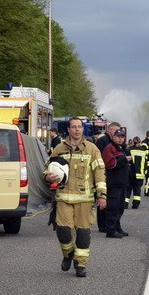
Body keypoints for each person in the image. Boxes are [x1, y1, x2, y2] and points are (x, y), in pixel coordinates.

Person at [45, 117, 107, 278]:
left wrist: (102, 195)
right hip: (64, 197)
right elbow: (47, 168)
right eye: (74, 127)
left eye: (79, 127)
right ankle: (67, 254)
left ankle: (80, 264)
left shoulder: (92, 149)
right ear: (69, 129)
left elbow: (100, 173)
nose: (77, 130)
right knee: (63, 232)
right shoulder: (59, 148)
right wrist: (48, 177)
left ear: (82, 129)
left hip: (85, 200)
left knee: (83, 235)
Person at [101, 127, 131, 238]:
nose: (120, 139)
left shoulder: (120, 148)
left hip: (122, 182)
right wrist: (124, 160)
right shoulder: (110, 148)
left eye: (122, 137)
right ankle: (111, 230)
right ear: (113, 137)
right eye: (118, 137)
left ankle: (117, 227)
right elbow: (110, 164)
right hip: (114, 183)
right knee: (113, 207)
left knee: (120, 207)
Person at [95, 121, 120, 232]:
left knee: (109, 201)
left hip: (112, 175)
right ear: (109, 130)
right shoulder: (102, 141)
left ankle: (107, 224)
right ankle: (102, 225)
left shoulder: (112, 141)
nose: (117, 133)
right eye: (115, 131)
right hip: (103, 174)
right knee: (102, 200)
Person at [128, 136, 147, 208]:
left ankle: (125, 204)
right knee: (137, 189)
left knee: (128, 189)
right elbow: (145, 163)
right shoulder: (143, 151)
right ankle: (135, 205)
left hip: (131, 173)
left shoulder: (129, 149)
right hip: (140, 174)